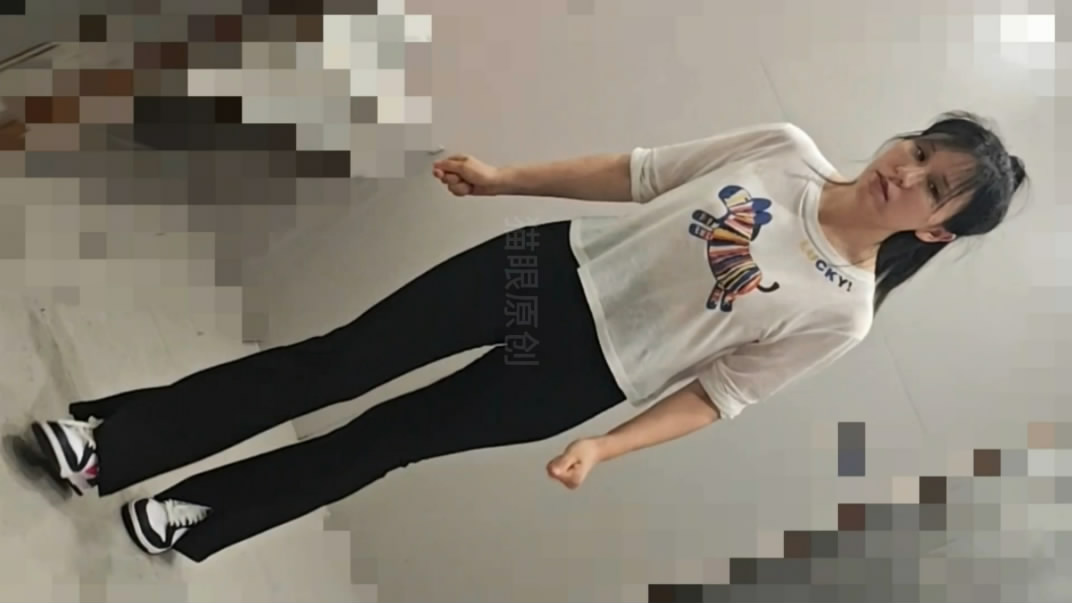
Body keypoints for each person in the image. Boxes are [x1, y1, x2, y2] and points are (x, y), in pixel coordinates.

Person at [25, 112, 1026, 562]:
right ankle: (114, 445)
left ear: (938, 230)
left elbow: (721, 392)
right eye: (920, 148)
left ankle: (195, 511)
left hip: (583, 371)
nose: (907, 171)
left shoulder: (844, 310)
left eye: (935, 186)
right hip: (545, 269)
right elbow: (638, 173)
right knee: (338, 362)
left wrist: (605, 445)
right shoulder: (784, 149)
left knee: (379, 441)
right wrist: (505, 179)